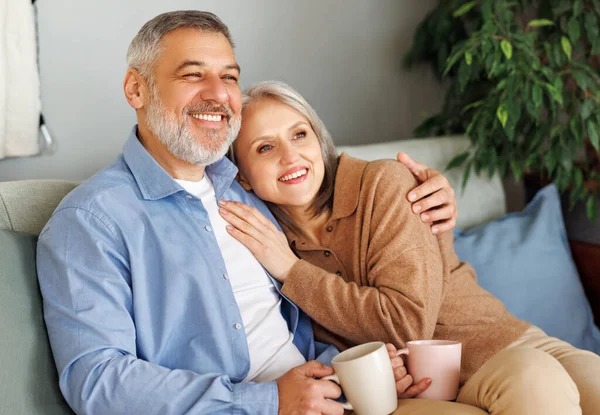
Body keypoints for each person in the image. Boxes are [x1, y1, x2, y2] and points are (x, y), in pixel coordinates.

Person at [36, 10, 467, 415]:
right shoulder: (92, 221)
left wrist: (361, 369)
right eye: (193, 74)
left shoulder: (248, 189)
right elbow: (95, 381)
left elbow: (312, 296)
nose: (218, 93)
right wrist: (267, 401)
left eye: (229, 76)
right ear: (136, 88)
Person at [223, 80, 600, 415]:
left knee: (554, 382)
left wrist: (292, 272)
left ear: (319, 141)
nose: (290, 157)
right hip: (410, 393)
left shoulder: (381, 184)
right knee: (537, 381)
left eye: (300, 135)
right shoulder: (258, 241)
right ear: (242, 175)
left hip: (497, 348)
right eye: (265, 147)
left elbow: (405, 322)